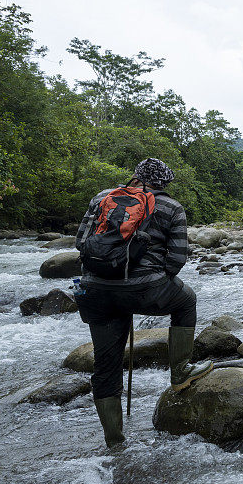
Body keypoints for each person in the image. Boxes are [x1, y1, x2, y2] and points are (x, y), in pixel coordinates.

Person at [74, 157, 212, 448]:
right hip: (145, 289)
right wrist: (145, 281)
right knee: (186, 301)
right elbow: (176, 260)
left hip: (94, 291)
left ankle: (114, 442)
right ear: (164, 183)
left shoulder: (101, 198)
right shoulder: (172, 208)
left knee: (106, 365)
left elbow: (80, 243)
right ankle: (180, 372)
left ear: (135, 176)